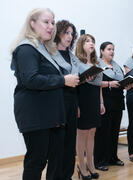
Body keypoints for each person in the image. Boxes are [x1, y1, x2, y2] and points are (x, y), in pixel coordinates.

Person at [10, 8, 79, 180]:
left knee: (55, 158)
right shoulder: (27, 48)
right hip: (36, 114)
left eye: (53, 22)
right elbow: (30, 79)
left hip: (50, 114)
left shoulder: (44, 48)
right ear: (32, 23)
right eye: (46, 22)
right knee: (37, 161)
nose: (51, 26)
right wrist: (63, 80)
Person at [75, 34, 105, 179]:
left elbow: (98, 86)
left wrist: (101, 102)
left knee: (92, 132)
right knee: (81, 134)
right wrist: (76, 106)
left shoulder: (97, 64)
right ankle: (81, 165)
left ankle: (91, 164)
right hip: (82, 99)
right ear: (81, 44)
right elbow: (73, 87)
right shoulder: (76, 63)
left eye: (93, 41)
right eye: (87, 41)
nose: (91, 43)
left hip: (94, 99)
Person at [53, 20, 79, 180]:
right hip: (57, 102)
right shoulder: (50, 55)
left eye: (71, 33)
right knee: (57, 144)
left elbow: (75, 83)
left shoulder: (72, 57)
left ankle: (67, 176)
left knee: (70, 144)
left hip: (71, 101)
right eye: (66, 33)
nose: (69, 36)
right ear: (58, 33)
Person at [94, 42, 125, 171]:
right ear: (101, 51)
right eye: (109, 49)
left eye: (113, 49)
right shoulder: (97, 65)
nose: (112, 51)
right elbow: (94, 83)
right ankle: (100, 160)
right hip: (105, 102)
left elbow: (121, 80)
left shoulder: (116, 66)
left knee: (114, 131)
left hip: (117, 101)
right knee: (102, 133)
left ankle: (113, 157)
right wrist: (109, 84)